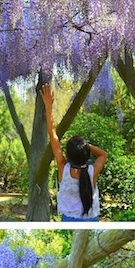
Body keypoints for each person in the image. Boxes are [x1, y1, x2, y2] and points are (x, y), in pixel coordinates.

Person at [41, 83, 107, 222]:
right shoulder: (92, 171)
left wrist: (48, 106)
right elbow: (103, 154)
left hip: (68, 220)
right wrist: (85, 146)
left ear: (68, 155)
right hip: (91, 220)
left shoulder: (63, 168)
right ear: (86, 154)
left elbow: (53, 136)